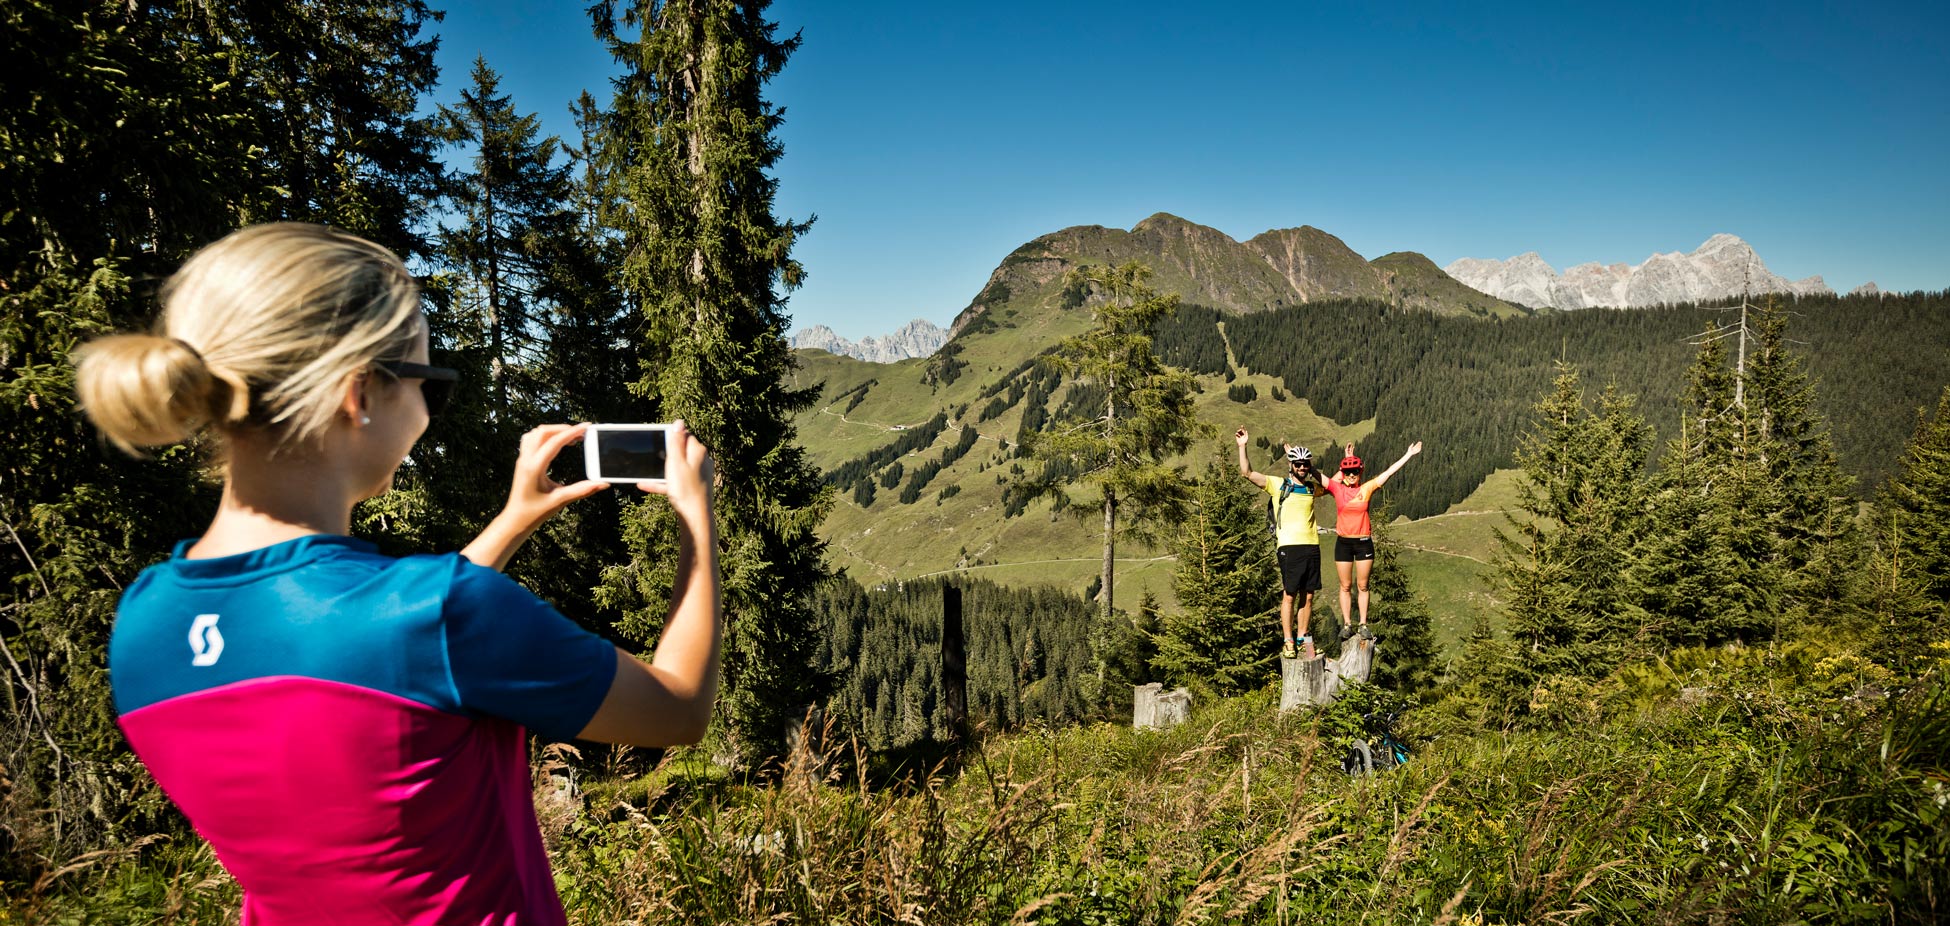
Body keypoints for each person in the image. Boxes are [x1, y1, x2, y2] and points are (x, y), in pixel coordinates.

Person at [73, 223, 720, 925]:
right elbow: (678, 709)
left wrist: (511, 520)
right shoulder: (444, 612)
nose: (427, 413)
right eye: (428, 385)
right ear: (360, 395)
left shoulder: (143, 623)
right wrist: (696, 517)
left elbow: (369, 650)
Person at [1235, 427, 1326, 660]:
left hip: (1312, 546)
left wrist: (1316, 468)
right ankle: (1288, 641)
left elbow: (1333, 485)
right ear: (1291, 465)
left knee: (1309, 596)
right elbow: (1247, 473)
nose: (1303, 468)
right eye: (1299, 464)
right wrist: (1242, 446)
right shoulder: (1278, 485)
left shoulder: (1309, 488)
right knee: (1290, 595)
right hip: (1289, 547)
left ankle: (1303, 637)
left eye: (1306, 464)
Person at [1322, 439, 1423, 637]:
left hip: (1363, 542)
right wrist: (1346, 459)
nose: (1351, 476)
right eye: (1347, 473)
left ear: (1361, 472)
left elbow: (1389, 472)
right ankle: (1347, 625)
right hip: (1343, 542)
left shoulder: (1366, 488)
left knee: (1363, 585)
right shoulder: (1337, 489)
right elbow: (1319, 476)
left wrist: (1408, 455)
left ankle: (1363, 624)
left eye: (1355, 472)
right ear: (1343, 474)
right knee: (1344, 586)